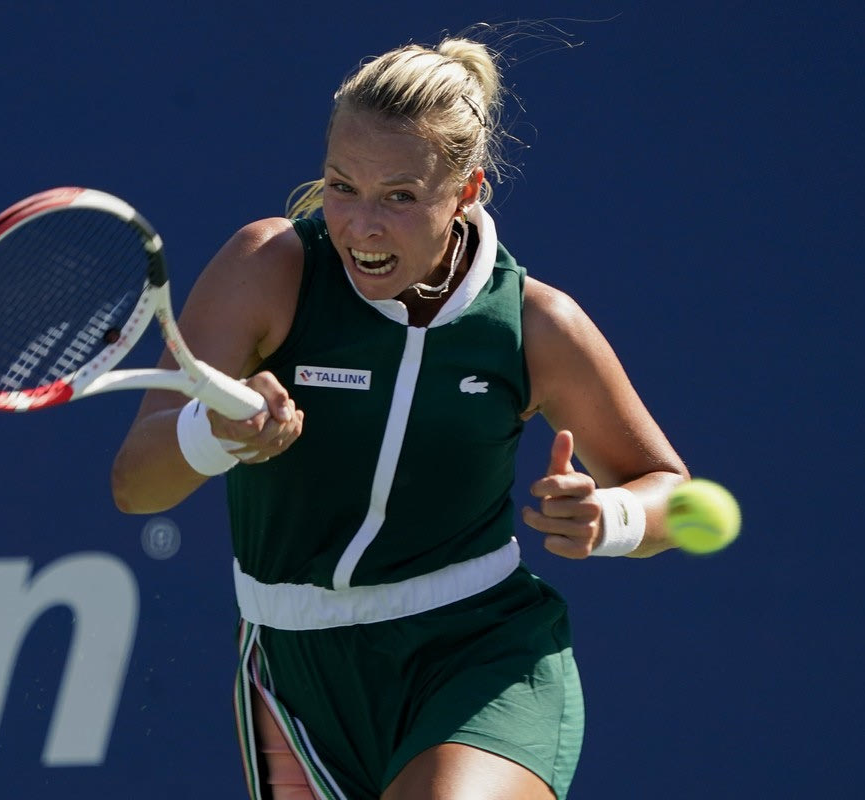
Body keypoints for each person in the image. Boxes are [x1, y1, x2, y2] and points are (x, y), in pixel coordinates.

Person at [112, 31, 688, 800]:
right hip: (295, 675)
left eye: (400, 196)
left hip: (481, 654)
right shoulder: (267, 271)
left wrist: (610, 517)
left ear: (468, 191)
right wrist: (211, 435)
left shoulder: (535, 326)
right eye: (341, 186)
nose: (361, 226)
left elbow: (672, 492)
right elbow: (136, 485)